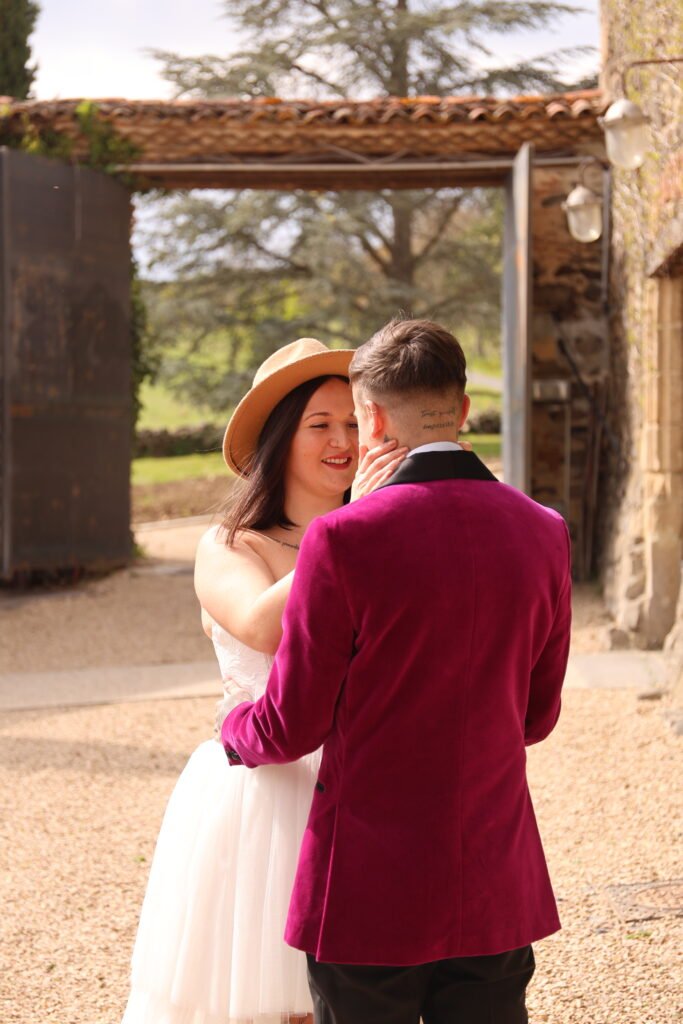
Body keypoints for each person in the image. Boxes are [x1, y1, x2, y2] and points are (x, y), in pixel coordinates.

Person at [222, 318, 573, 1024]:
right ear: (463, 409)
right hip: (494, 879)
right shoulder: (544, 530)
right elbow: (536, 717)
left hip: (367, 890)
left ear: (373, 418)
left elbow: (292, 725)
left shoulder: (343, 538)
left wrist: (234, 729)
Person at [121, 337, 407, 1024]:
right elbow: (262, 626)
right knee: (264, 1003)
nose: (342, 441)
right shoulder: (230, 544)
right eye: (320, 424)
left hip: (366, 792)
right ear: (279, 438)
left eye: (353, 422)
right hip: (261, 795)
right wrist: (349, 528)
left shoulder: (378, 536)